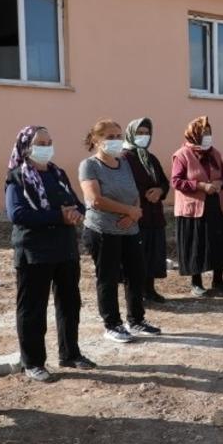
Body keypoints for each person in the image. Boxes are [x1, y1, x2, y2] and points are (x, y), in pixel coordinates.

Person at [6, 125, 93, 381]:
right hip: (34, 252)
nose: (46, 147)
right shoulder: (17, 176)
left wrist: (76, 212)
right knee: (33, 309)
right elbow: (17, 214)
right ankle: (32, 361)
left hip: (64, 249)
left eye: (49, 142)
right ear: (26, 146)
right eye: (40, 142)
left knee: (69, 303)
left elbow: (76, 203)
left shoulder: (58, 173)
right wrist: (58, 216)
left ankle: (70, 353)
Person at [79, 119, 162, 343]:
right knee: (107, 277)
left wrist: (132, 214)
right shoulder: (90, 165)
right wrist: (128, 211)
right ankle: (112, 324)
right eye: (110, 137)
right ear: (97, 140)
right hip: (103, 230)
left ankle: (136, 320)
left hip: (130, 227)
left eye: (118, 136)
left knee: (136, 275)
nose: (116, 141)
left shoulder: (123, 162)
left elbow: (133, 191)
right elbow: (95, 199)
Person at [171, 117, 223, 297]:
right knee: (197, 243)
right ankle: (196, 283)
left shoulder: (215, 154)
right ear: (194, 134)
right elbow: (176, 181)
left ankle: (219, 280)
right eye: (204, 133)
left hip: (216, 204)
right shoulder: (182, 155)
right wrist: (201, 186)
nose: (208, 137)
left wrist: (220, 183)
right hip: (194, 208)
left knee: (218, 242)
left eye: (209, 133)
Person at [122, 118, 171, 303]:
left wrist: (160, 191)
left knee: (153, 253)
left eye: (146, 133)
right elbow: (122, 185)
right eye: (139, 133)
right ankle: (136, 293)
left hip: (154, 215)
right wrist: (143, 195)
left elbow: (165, 182)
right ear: (131, 134)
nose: (143, 137)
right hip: (137, 215)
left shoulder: (151, 158)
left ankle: (150, 289)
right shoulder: (124, 158)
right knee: (136, 256)